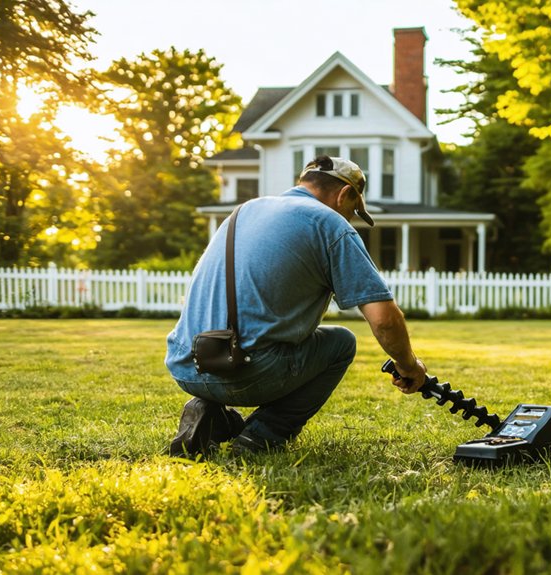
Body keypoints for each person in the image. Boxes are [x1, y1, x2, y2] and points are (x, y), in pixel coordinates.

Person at [165, 155, 428, 456]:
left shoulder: (244, 211)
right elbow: (384, 319)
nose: (350, 220)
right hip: (248, 373)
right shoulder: (330, 224)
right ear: (344, 195)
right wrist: (409, 366)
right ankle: (262, 436)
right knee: (342, 342)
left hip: (187, 365)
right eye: (353, 211)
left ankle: (210, 414)